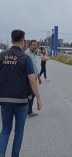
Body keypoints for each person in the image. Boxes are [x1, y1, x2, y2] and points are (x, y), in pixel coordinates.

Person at [0, 29, 42, 157]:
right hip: (21, 100)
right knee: (19, 130)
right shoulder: (25, 58)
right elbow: (32, 81)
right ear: (23, 41)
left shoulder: (1, 57)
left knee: (6, 129)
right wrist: (39, 99)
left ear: (12, 40)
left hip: (4, 99)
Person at [25, 40, 42, 117]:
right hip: (29, 78)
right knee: (30, 94)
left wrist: (39, 78)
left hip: (34, 77)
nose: (35, 47)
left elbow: (35, 68)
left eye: (36, 45)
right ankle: (29, 111)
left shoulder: (34, 55)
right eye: (34, 45)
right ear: (29, 46)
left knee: (31, 94)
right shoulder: (26, 54)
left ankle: (28, 110)